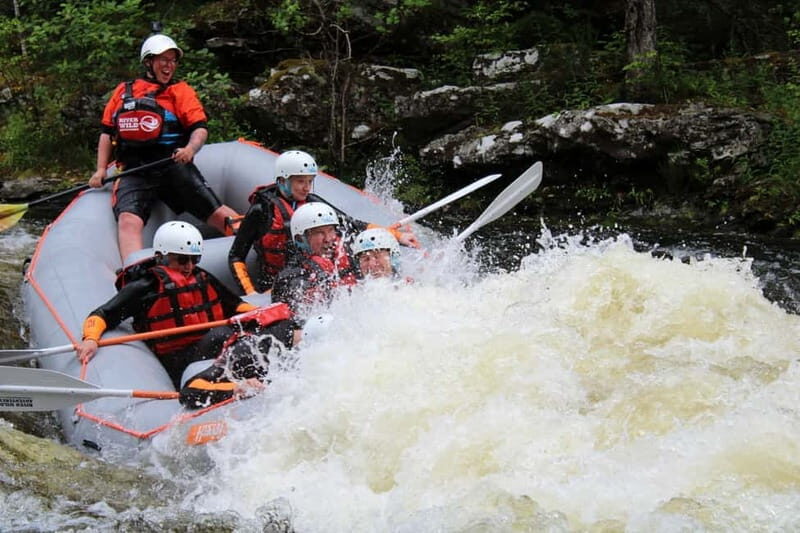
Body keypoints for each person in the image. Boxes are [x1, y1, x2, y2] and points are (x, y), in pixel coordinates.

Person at [75, 221, 291, 388]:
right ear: (161, 257)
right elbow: (102, 314)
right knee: (224, 333)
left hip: (207, 345)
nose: (189, 266)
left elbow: (235, 306)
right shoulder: (145, 287)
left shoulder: (201, 277)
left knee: (263, 328)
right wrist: (91, 339)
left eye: (193, 259)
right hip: (176, 358)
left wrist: (268, 315)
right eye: (181, 260)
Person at [87, 32, 239, 263]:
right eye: (163, 60)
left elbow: (200, 129)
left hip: (172, 165)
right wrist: (100, 170)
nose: (169, 66)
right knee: (128, 220)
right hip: (134, 170)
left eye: (173, 61)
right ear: (149, 62)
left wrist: (190, 149)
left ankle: (261, 242)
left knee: (217, 212)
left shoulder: (180, 92)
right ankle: (136, 273)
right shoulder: (123, 92)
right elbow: (107, 133)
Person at [228, 149, 418, 295]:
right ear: (283, 180)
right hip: (277, 282)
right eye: (300, 181)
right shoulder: (262, 210)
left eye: (309, 181)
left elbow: (352, 224)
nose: (306, 187)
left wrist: (396, 235)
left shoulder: (313, 202)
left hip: (314, 272)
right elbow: (236, 255)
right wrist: (251, 294)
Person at [271, 202, 359, 313]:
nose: (328, 239)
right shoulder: (291, 277)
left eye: (331, 230)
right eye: (319, 233)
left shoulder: (350, 256)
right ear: (301, 239)